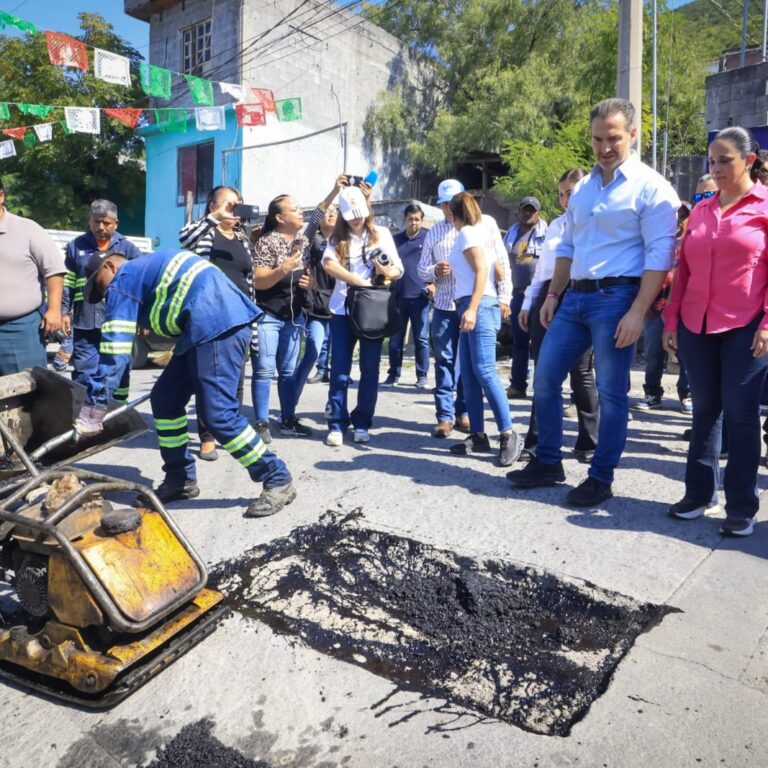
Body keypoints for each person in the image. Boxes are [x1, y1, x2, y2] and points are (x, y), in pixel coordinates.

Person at [507, 98, 679, 506]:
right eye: (598, 139)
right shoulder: (582, 189)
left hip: (619, 298)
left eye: (613, 138)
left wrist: (638, 312)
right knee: (546, 377)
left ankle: (601, 477)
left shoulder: (652, 188)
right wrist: (553, 294)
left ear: (633, 135)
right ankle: (548, 461)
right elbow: (567, 244)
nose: (604, 148)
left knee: (612, 390)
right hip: (574, 299)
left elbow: (660, 255)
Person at [73, 249, 296, 517]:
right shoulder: (144, 273)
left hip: (215, 324)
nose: (107, 296)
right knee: (165, 400)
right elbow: (121, 356)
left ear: (110, 266)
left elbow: (115, 348)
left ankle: (277, 477)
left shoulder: (125, 276)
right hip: (202, 328)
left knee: (219, 416)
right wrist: (114, 403)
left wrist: (94, 408)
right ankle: (180, 479)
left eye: (101, 285)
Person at [662, 126, 768, 537]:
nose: (717, 167)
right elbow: (682, 271)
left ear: (749, 161)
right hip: (696, 324)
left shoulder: (763, 208)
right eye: (712, 160)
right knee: (705, 411)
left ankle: (742, 505)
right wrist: (672, 320)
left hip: (746, 327)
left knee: (741, 415)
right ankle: (699, 493)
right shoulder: (702, 210)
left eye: (726, 160)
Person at [417, 178, 512, 438]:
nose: (447, 209)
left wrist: (504, 298)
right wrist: (435, 271)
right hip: (449, 304)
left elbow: (495, 264)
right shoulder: (436, 232)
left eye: (451, 203)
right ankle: (447, 417)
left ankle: (485, 422)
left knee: (479, 369)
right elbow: (421, 270)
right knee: (451, 363)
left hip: (475, 305)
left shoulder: (481, 227)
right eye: (444, 204)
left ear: (462, 202)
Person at [518, 168, 599, 461]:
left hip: (577, 293)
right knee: (544, 371)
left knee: (581, 371)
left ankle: (589, 440)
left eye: (571, 193)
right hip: (547, 296)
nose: (566, 199)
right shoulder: (554, 225)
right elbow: (541, 271)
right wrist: (529, 303)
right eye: (562, 193)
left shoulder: (594, 223)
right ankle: (537, 440)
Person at [445, 192, 524, 466]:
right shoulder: (474, 233)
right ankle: (478, 435)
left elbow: (482, 271)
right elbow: (494, 270)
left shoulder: (467, 234)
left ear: (452, 213)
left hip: (478, 305)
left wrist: (473, 308)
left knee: (485, 371)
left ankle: (509, 433)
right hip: (471, 303)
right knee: (469, 373)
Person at [322, 185, 403, 446]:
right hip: (342, 310)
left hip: (371, 310)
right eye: (351, 215)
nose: (357, 219)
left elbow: (399, 271)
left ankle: (362, 421)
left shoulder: (381, 233)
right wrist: (358, 281)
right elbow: (328, 264)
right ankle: (336, 422)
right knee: (340, 370)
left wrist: (386, 270)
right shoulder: (337, 238)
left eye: (360, 213)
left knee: (369, 369)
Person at [179, 186, 253, 461]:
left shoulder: (243, 239)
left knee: (236, 380)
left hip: (240, 317)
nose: (235, 211)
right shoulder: (204, 231)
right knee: (207, 377)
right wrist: (216, 216)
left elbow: (248, 279)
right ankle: (207, 436)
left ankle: (232, 431)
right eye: (230, 206)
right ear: (213, 206)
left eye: (238, 206)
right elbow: (184, 238)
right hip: (210, 316)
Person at [62, 200, 142, 403]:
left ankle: (117, 415)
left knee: (120, 370)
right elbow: (67, 282)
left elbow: (141, 283)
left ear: (116, 223)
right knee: (84, 371)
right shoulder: (76, 246)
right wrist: (64, 311)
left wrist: (141, 317)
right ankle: (83, 414)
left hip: (118, 322)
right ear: (90, 220)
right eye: (96, 221)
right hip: (85, 322)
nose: (100, 227)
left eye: (106, 223)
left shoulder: (128, 249)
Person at [251, 194, 313, 441]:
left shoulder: (304, 241)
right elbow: (258, 280)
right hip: (268, 315)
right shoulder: (267, 241)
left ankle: (288, 419)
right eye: (294, 209)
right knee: (264, 371)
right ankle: (262, 423)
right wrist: (283, 268)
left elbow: (319, 215)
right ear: (279, 217)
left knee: (288, 372)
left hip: (294, 316)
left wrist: (311, 282)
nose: (300, 212)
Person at [293, 176, 350, 403]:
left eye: (336, 211)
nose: (331, 213)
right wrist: (334, 191)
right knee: (314, 350)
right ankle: (290, 405)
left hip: (339, 305)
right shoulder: (311, 239)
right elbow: (316, 214)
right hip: (315, 305)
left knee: (340, 360)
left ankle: (333, 406)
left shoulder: (346, 241)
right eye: (330, 211)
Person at [0, 176, 65, 374]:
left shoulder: (27, 229)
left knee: (27, 392)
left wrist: (54, 310)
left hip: (20, 329)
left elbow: (54, 271)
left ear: (1, 196)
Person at [633, 201, 693, 413]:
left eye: (683, 216)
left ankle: (686, 395)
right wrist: (644, 302)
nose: (677, 221)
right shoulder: (657, 242)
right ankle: (652, 393)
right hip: (657, 306)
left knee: (687, 354)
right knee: (653, 352)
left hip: (685, 309)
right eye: (674, 216)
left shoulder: (693, 242)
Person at [503, 196, 548, 399]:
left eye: (532, 210)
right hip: (517, 295)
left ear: (538, 213)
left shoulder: (546, 233)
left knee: (541, 343)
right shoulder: (511, 233)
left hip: (540, 296)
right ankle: (518, 385)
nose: (528, 213)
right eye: (525, 209)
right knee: (519, 342)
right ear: (519, 211)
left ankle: (542, 386)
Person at [382, 203, 430, 388]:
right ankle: (393, 375)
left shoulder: (427, 239)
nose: (414, 223)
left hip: (420, 297)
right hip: (398, 296)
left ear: (422, 220)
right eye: (410, 219)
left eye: (417, 219)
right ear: (405, 220)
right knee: (395, 339)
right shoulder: (395, 240)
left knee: (421, 339)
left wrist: (431, 285)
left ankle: (422, 376)